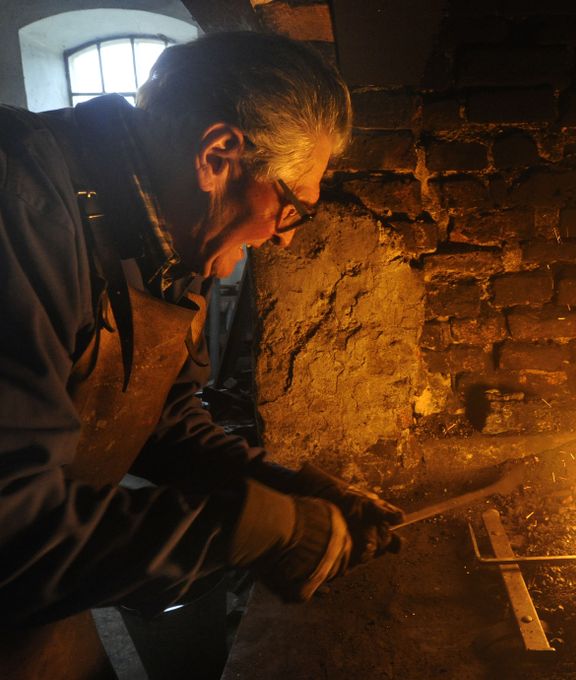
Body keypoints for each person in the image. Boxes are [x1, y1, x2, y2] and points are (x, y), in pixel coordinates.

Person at [0, 31, 403, 679]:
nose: (285, 240)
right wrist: (251, 526)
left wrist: (279, 484)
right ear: (218, 155)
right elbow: (13, 534)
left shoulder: (161, 225)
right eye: (293, 208)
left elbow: (160, 417)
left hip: (34, 621)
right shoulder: (20, 211)